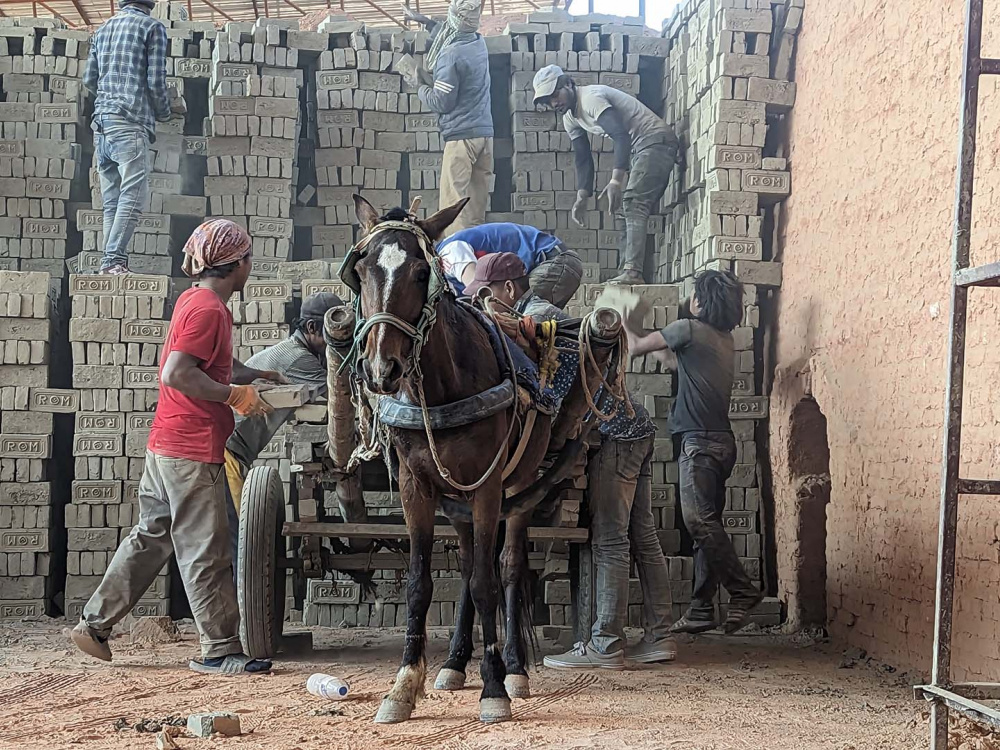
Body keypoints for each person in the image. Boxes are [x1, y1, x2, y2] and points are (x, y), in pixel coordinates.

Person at [70, 219, 284, 675]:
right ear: (238, 263)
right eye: (248, 258)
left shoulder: (197, 300)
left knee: (151, 537)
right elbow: (177, 373)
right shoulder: (209, 309)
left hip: (166, 443)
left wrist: (253, 377)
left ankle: (94, 624)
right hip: (191, 449)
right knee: (205, 547)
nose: (251, 266)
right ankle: (221, 649)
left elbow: (210, 364)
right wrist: (233, 396)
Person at [471, 253, 677, 668]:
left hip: (614, 436)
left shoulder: (541, 322)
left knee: (610, 538)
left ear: (509, 289)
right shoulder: (538, 316)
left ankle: (605, 643)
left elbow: (556, 390)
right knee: (643, 537)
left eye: (487, 292)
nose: (483, 301)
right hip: (635, 428)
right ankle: (660, 636)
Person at [624, 269, 762, 634]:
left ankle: (743, 591)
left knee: (699, 522)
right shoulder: (721, 338)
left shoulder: (687, 327)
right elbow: (674, 363)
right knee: (708, 525)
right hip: (721, 443)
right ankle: (701, 609)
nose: (689, 300)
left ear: (701, 301)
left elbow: (635, 346)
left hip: (699, 444)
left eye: (693, 295)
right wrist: (658, 351)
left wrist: (623, 318)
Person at [532, 65, 679, 286]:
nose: (555, 103)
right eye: (549, 101)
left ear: (569, 84)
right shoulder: (570, 118)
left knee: (634, 202)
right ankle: (627, 271)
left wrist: (615, 181)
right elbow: (583, 157)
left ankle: (633, 272)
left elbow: (620, 135)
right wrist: (583, 196)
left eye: (555, 95)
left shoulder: (590, 98)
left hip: (655, 140)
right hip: (641, 148)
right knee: (623, 209)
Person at [223, 292, 343, 559]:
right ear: (311, 328)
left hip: (232, 452)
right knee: (241, 544)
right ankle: (236, 601)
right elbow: (341, 399)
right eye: (331, 335)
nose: (336, 344)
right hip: (225, 454)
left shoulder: (300, 352)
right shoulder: (298, 359)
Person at [83, 0, 172, 276]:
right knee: (133, 197)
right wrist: (166, 111)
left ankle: (109, 263)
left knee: (112, 202)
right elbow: (156, 82)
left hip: (102, 125)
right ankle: (112, 261)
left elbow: (89, 79)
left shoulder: (102, 29)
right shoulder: (152, 27)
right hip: (129, 124)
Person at [417, 0, 493, 237]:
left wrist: (418, 86)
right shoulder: (478, 42)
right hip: (485, 136)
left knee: (452, 212)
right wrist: (428, 23)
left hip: (462, 140)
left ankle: (456, 265)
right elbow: (454, 33)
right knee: (475, 210)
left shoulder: (450, 55)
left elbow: (442, 101)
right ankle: (478, 260)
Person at [438, 222, 584, 308]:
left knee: (523, 324)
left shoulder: (447, 254)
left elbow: (482, 294)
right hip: (552, 264)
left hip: (553, 260)